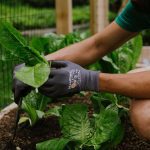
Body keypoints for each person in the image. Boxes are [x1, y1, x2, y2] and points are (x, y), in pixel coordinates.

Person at [13, 0, 150, 140]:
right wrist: (37, 65)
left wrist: (87, 79)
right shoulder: (141, 7)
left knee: (146, 119)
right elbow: (97, 45)